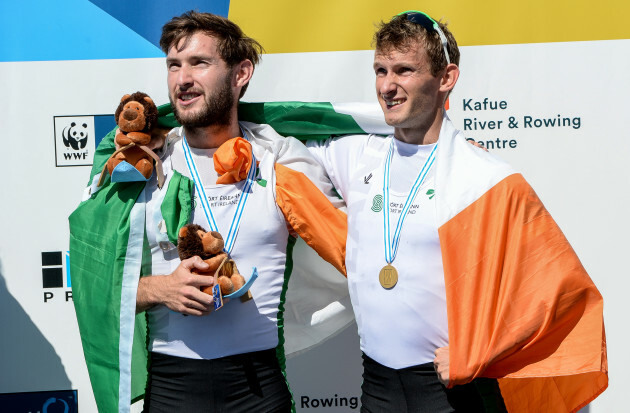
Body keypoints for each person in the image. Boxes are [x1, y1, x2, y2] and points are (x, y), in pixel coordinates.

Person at [307, 10, 607, 412]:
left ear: (446, 78)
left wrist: (482, 350)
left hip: (454, 392)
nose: (387, 86)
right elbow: (273, 147)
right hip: (376, 387)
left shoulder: (486, 179)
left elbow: (561, 296)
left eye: (404, 70)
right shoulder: (353, 155)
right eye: (380, 70)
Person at [69, 11, 351, 413]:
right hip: (169, 391)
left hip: (259, 390)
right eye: (173, 65)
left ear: (240, 73)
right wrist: (159, 289)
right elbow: (88, 282)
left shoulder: (279, 161)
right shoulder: (138, 168)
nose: (182, 79)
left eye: (199, 63)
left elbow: (358, 248)